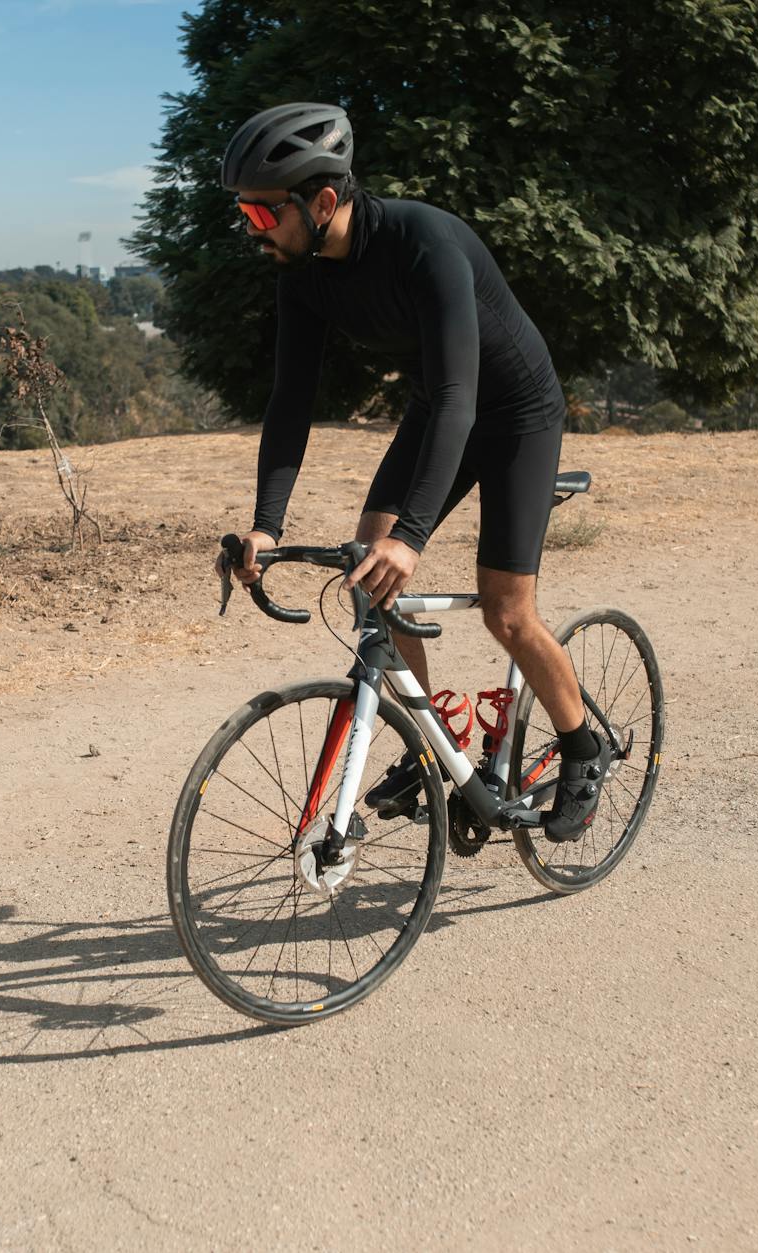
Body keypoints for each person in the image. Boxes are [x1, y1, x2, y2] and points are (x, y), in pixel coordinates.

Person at [215, 101, 608, 841]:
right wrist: (267, 524)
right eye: (244, 214)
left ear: (322, 201)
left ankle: (585, 744)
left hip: (514, 411)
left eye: (263, 217)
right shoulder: (301, 275)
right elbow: (290, 399)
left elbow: (464, 396)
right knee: (370, 566)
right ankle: (436, 749)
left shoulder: (423, 244)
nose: (250, 231)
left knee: (506, 611)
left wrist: (415, 534)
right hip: (442, 406)